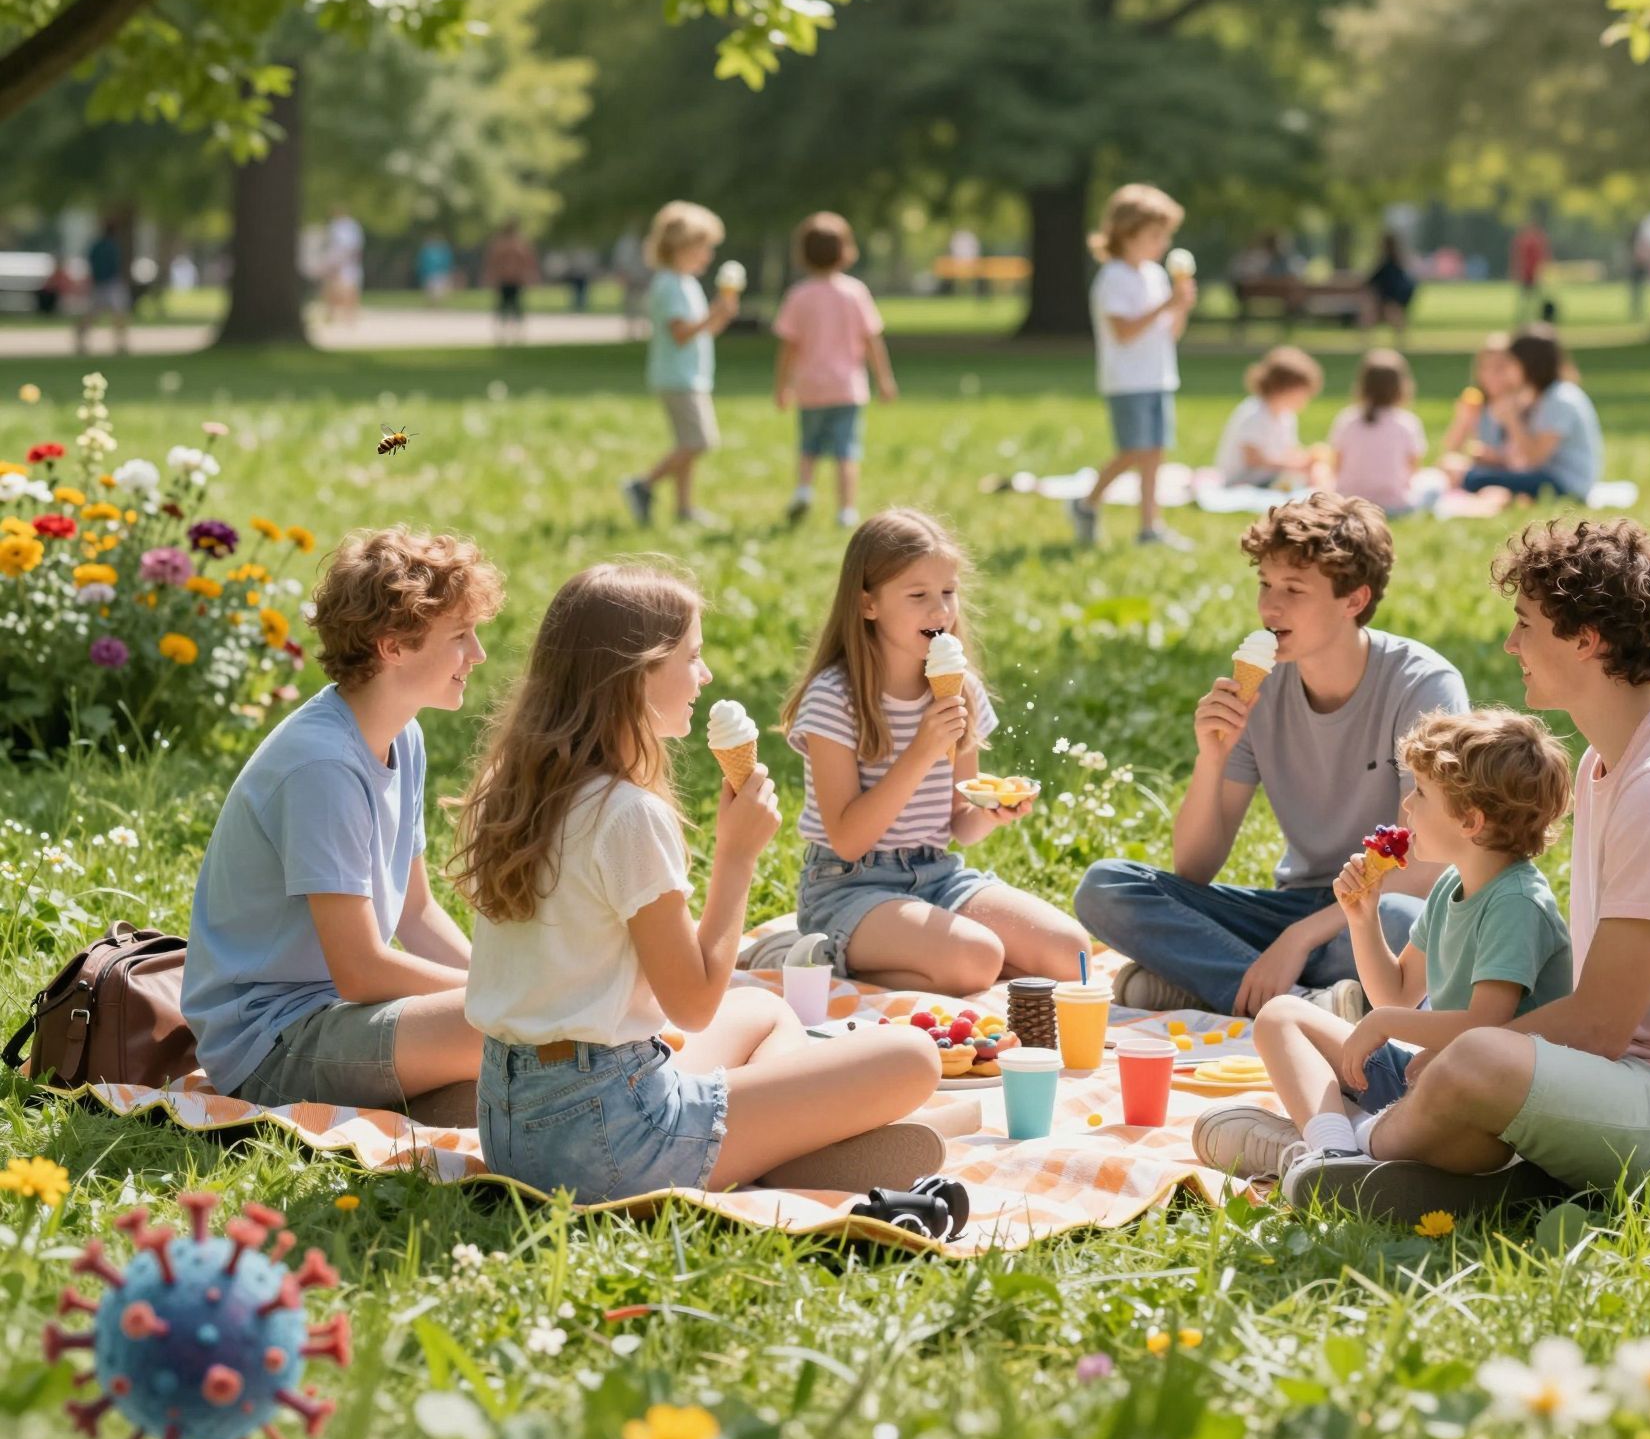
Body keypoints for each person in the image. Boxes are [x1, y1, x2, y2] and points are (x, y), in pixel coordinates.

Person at [1273, 520, 1650, 1212]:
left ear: (1587, 639)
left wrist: (1446, 1060)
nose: (1510, 644)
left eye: (1526, 624)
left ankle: (1349, 1152)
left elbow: (1598, 1026)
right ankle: (1439, 1169)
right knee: (1463, 1061)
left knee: (1474, 1060)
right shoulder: (1606, 761)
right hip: (1626, 1082)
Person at [457, 563, 942, 1201]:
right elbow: (693, 1004)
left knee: (765, 1012)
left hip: (510, 1118)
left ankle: (772, 1142)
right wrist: (736, 858)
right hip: (611, 1140)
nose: (706, 675)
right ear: (636, 674)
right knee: (912, 1056)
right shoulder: (626, 813)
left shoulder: (511, 787)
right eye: (693, 656)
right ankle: (787, 1150)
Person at [1073, 493, 1469, 1016]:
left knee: (1401, 918)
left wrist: (1299, 940)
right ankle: (1302, 1000)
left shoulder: (1422, 686)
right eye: (1265, 585)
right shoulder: (1260, 689)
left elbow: (1423, 868)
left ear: (1353, 600)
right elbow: (1194, 868)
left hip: (1376, 907)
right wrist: (1210, 758)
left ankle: (1213, 979)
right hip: (1294, 905)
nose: (1269, 608)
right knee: (1106, 886)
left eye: (1293, 590)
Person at [181, 529, 505, 1110]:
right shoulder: (321, 765)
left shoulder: (402, 734)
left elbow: (416, 910)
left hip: (345, 1015)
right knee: (515, 1032)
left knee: (524, 1059)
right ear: (392, 647)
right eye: (459, 635)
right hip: (271, 1043)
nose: (478, 654)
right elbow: (359, 970)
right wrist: (506, 1000)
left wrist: (503, 989)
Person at [1197, 708, 1573, 1178]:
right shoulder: (1452, 884)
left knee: (1451, 1129)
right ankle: (1333, 1153)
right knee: (1280, 1016)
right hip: (1431, 1076)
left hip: (1489, 1115)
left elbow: (1487, 1026)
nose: (1408, 807)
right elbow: (1394, 993)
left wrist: (1383, 1024)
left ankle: (1342, 1139)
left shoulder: (1516, 902)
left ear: (1471, 822)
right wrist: (1362, 917)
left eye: (1421, 793)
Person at [782, 511, 1090, 996]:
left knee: (1070, 952)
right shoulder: (834, 697)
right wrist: (921, 752)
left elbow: (960, 824)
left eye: (948, 592)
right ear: (868, 604)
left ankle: (944, 966)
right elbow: (846, 839)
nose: (940, 610)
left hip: (936, 874)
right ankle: (830, 959)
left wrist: (994, 810)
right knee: (978, 958)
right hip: (847, 886)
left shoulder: (958, 690)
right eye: (918, 595)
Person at [1070, 183, 1197, 551]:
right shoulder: (1113, 278)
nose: (1162, 243)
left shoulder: (1155, 275)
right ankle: (1085, 504)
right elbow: (1124, 331)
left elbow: (1168, 333)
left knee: (1154, 452)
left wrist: (1180, 308)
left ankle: (1149, 527)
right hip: (1127, 380)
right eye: (1155, 234)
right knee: (1132, 451)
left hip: (1159, 375)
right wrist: (1166, 305)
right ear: (1127, 233)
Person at [773, 211, 895, 528]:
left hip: (810, 387)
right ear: (846, 251)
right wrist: (884, 380)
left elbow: (788, 347)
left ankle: (803, 489)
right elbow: (872, 341)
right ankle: (846, 510)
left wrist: (782, 386)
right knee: (846, 452)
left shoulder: (798, 296)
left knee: (808, 446)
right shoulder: (855, 293)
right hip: (847, 388)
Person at [622, 202, 738, 529]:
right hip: (677, 377)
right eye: (703, 248)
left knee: (687, 444)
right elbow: (681, 333)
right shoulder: (669, 284)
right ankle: (642, 485)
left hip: (691, 376)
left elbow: (701, 332)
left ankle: (684, 507)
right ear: (681, 247)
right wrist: (712, 316)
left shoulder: (686, 282)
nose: (708, 255)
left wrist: (720, 317)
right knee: (699, 441)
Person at [1457, 329, 1602, 502]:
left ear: (1528, 365)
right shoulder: (1546, 396)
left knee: (1473, 479)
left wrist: (1512, 420)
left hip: (1566, 484)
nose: (1508, 372)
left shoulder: (1559, 399)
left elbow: (1534, 459)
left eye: (1511, 364)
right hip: (1550, 477)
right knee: (1474, 475)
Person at [1329, 348, 1428, 516]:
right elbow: (1413, 469)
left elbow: (1337, 465)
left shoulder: (1347, 419)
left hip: (1349, 502)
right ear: (1402, 387)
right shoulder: (1407, 423)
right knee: (1434, 482)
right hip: (1395, 504)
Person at [1214, 346, 1324, 488]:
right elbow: (1252, 460)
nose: (1306, 398)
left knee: (1318, 474)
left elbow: (1290, 450)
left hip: (1267, 477)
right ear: (1282, 388)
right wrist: (1291, 466)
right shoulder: (1254, 414)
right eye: (1302, 392)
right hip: (1243, 480)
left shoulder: (1286, 416)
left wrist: (1307, 460)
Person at [1438, 335, 1513, 469]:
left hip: (1508, 471)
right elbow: (1451, 449)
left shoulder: (1519, 405)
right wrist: (1463, 419)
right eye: (1485, 368)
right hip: (1480, 470)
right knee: (1449, 463)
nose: (1491, 375)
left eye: (1499, 368)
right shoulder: (1478, 404)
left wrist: (1494, 456)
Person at [75, 218, 129, 355]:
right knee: (118, 314)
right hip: (110, 283)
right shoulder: (112, 246)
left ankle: (81, 341)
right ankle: (120, 344)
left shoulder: (97, 246)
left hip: (99, 283)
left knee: (92, 314)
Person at [483, 220, 540, 345]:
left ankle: (517, 332)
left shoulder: (519, 243)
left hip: (516, 279)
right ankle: (503, 332)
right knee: (504, 306)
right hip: (504, 279)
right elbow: (493, 262)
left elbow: (528, 261)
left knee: (516, 306)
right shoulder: (502, 244)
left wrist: (529, 275)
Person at [1364, 232, 1417, 343]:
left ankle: (1398, 339)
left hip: (1393, 295)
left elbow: (1376, 278)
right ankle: (1399, 339)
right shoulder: (1396, 260)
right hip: (1395, 294)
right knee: (1391, 315)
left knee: (1391, 314)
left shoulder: (1390, 262)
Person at [323, 207, 364, 327]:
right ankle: (338, 315)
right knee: (336, 288)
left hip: (344, 262)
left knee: (347, 288)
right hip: (341, 262)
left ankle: (347, 316)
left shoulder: (346, 227)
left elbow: (350, 247)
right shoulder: (337, 226)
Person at [1511, 219, 1550, 321]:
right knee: (1529, 296)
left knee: (1530, 296)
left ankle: (1530, 315)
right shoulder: (1533, 240)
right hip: (1529, 272)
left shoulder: (1527, 240)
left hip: (1531, 272)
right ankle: (1528, 316)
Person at [416, 234, 455, 305]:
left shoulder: (442, 251)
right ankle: (433, 303)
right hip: (430, 273)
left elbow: (447, 262)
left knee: (439, 290)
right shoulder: (426, 251)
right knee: (431, 290)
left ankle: (436, 303)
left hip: (439, 273)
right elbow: (423, 263)